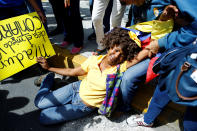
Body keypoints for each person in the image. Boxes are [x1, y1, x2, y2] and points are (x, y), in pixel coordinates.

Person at [34, 27, 149, 125]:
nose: (116, 55)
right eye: (116, 50)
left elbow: (142, 55)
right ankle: (48, 79)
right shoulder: (94, 59)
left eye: (122, 55)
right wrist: (49, 68)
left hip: (83, 106)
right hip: (75, 89)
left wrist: (159, 42)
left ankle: (57, 88)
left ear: (125, 58)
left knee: (44, 117)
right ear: (111, 46)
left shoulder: (120, 68)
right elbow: (72, 72)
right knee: (39, 103)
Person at [120, 0, 197, 129]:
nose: (129, 4)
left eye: (128, 1)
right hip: (173, 48)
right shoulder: (142, 6)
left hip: (177, 49)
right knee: (168, 79)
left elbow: (193, 29)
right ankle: (148, 118)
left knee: (191, 118)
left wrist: (160, 43)